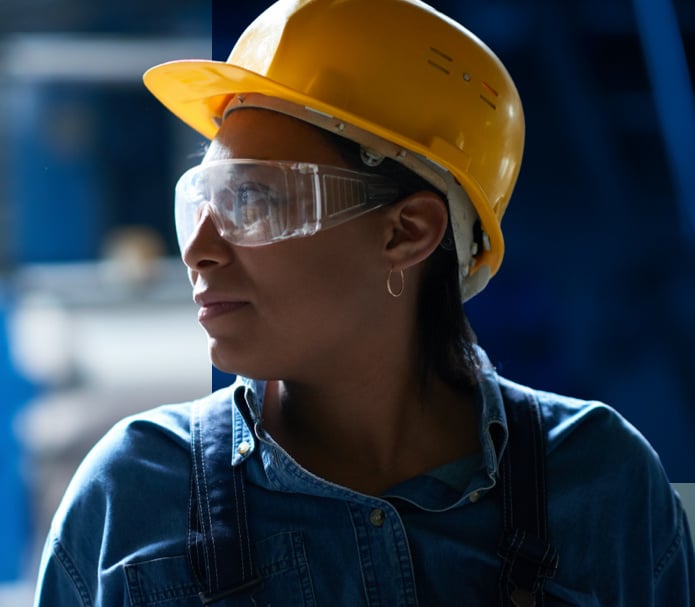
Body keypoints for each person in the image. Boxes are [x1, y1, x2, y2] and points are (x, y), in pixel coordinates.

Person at [34, 0, 694, 605]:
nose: (198, 249)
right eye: (201, 203)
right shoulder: (133, 495)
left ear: (406, 231)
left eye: (252, 201)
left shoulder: (599, 482)